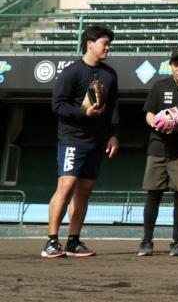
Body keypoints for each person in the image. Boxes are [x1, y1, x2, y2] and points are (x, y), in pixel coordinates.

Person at [43, 24, 119, 258]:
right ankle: (51, 241)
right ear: (90, 44)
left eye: (109, 43)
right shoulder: (72, 72)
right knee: (66, 186)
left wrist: (113, 134)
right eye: (104, 43)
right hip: (73, 139)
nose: (108, 47)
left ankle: (73, 241)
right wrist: (82, 113)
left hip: (97, 140)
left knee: (85, 190)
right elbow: (58, 105)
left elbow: (113, 106)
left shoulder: (109, 74)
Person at [138, 46, 178, 257]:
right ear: (171, 65)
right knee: (153, 194)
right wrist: (155, 123)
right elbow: (149, 113)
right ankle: (146, 241)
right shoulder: (159, 85)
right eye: (176, 64)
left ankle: (176, 242)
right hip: (158, 146)